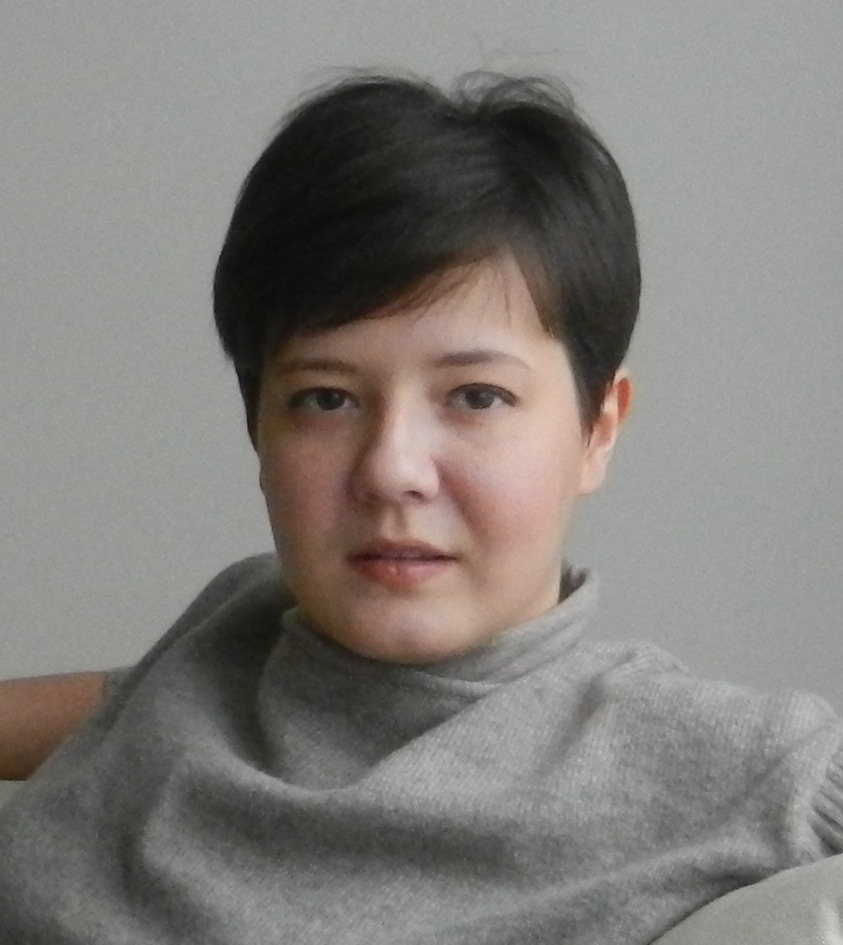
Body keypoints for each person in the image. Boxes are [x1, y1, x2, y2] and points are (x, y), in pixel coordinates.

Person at [0, 70, 840, 945]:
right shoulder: (242, 621)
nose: (391, 470)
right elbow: (130, 703)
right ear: (258, 426)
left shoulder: (719, 762)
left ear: (598, 428)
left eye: (476, 397)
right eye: (325, 398)